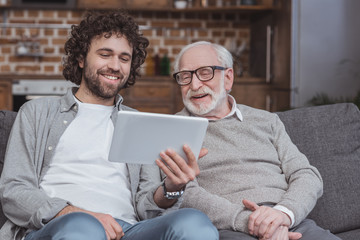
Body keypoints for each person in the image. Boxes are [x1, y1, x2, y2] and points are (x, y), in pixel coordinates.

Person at [0, 11, 219, 240]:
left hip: (128, 230)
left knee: (194, 222)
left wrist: (171, 187)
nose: (115, 66)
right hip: (60, 224)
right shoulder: (37, 113)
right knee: (83, 228)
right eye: (105, 54)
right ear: (82, 58)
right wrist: (74, 212)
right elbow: (14, 190)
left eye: (124, 58)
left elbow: (146, 205)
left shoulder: (138, 122)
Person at [139, 41, 341, 240]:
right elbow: (186, 195)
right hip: (229, 228)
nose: (195, 84)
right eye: (185, 76)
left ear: (228, 78)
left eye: (205, 72)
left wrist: (283, 213)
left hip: (289, 221)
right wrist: (256, 224)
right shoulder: (173, 130)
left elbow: (306, 174)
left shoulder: (267, 120)